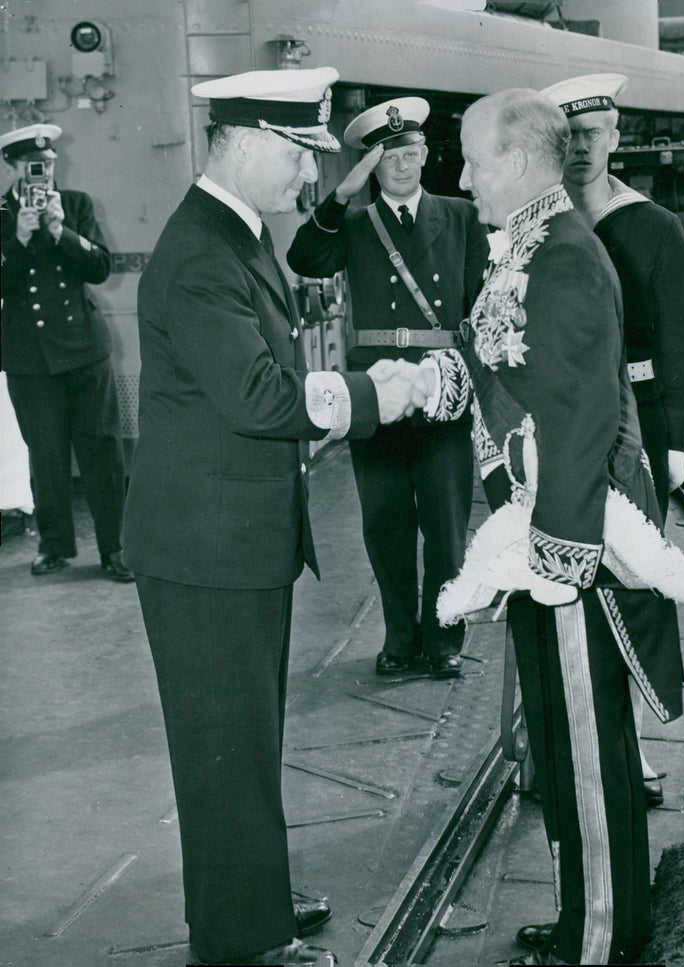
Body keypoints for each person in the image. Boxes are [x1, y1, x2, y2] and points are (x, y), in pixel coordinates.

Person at [121, 67, 426, 967]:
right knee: (224, 746)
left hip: (235, 538)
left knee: (244, 737)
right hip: (203, 547)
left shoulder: (236, 231)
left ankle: (252, 890)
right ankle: (242, 942)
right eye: (301, 157)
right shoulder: (200, 254)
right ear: (250, 141)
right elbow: (258, 394)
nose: (310, 180)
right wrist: (383, 389)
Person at [416, 88, 684, 965]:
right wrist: (429, 378)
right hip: (544, 533)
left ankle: (607, 937)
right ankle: (587, 914)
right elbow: (495, 353)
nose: (462, 178)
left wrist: (558, 556)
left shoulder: (565, 258)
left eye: (472, 160)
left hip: (574, 547)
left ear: (522, 161)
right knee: (560, 735)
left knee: (586, 746)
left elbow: (579, 418)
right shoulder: (532, 246)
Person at [541, 73, 684, 811]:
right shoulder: (540, 224)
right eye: (568, 136)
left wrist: (672, 440)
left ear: (615, 137)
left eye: (593, 134)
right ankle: (562, 747)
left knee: (631, 590)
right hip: (556, 433)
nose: (581, 149)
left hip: (633, 429)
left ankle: (629, 750)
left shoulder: (651, 227)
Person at [287, 97, 488, 679]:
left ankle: (445, 638)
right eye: (387, 154)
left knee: (447, 525)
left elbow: (480, 302)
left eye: (409, 150)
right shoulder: (351, 222)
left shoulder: (461, 217)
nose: (401, 162)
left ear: (426, 154)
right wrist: (340, 194)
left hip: (441, 388)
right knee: (386, 523)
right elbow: (305, 258)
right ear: (371, 165)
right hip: (373, 391)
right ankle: (400, 639)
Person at [0, 124, 133, 581]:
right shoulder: (0, 213)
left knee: (102, 451)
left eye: (50, 165)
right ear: (13, 167)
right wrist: (16, 239)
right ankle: (55, 545)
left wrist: (62, 232)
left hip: (83, 349)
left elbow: (100, 268)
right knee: (47, 454)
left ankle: (115, 547)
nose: (43, 174)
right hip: (29, 357)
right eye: (34, 167)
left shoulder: (74, 205)